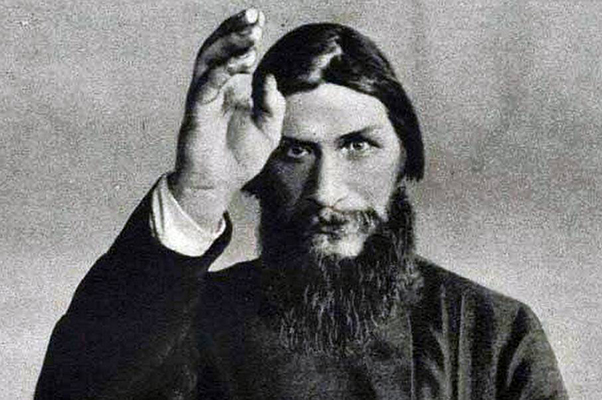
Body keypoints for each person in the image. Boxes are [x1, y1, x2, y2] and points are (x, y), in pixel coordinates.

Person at [35, 8, 568, 400]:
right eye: (295, 152)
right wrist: (199, 190)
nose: (325, 192)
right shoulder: (190, 322)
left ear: (404, 154)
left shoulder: (492, 333)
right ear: (262, 165)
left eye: (357, 146)